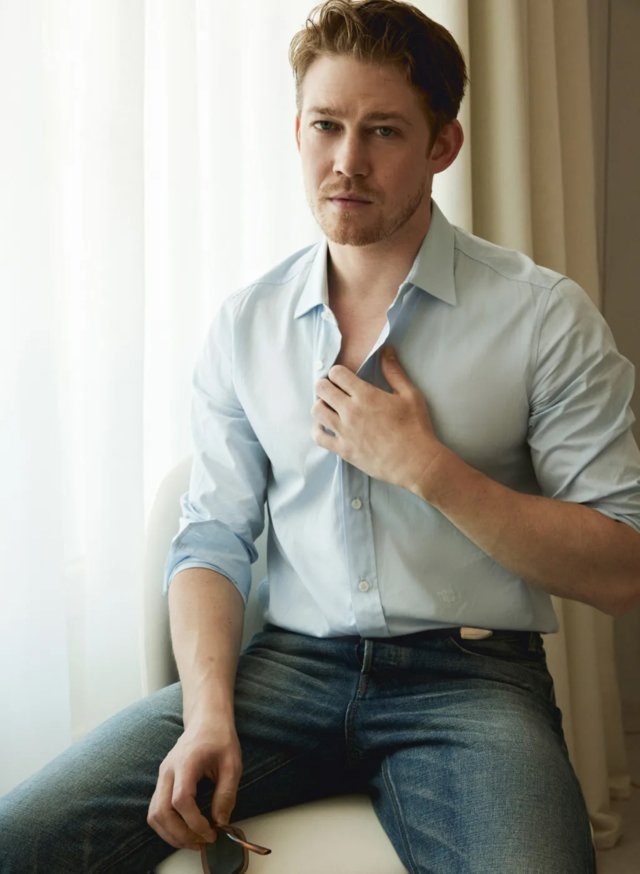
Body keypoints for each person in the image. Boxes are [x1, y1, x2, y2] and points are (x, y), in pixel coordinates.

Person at [2, 1, 640, 871]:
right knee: (18, 841)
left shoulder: (543, 318)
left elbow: (621, 568)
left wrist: (428, 468)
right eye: (326, 126)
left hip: (472, 687)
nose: (347, 161)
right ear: (296, 132)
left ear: (443, 146)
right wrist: (207, 713)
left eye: (384, 131)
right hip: (285, 676)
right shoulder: (247, 325)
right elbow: (211, 541)